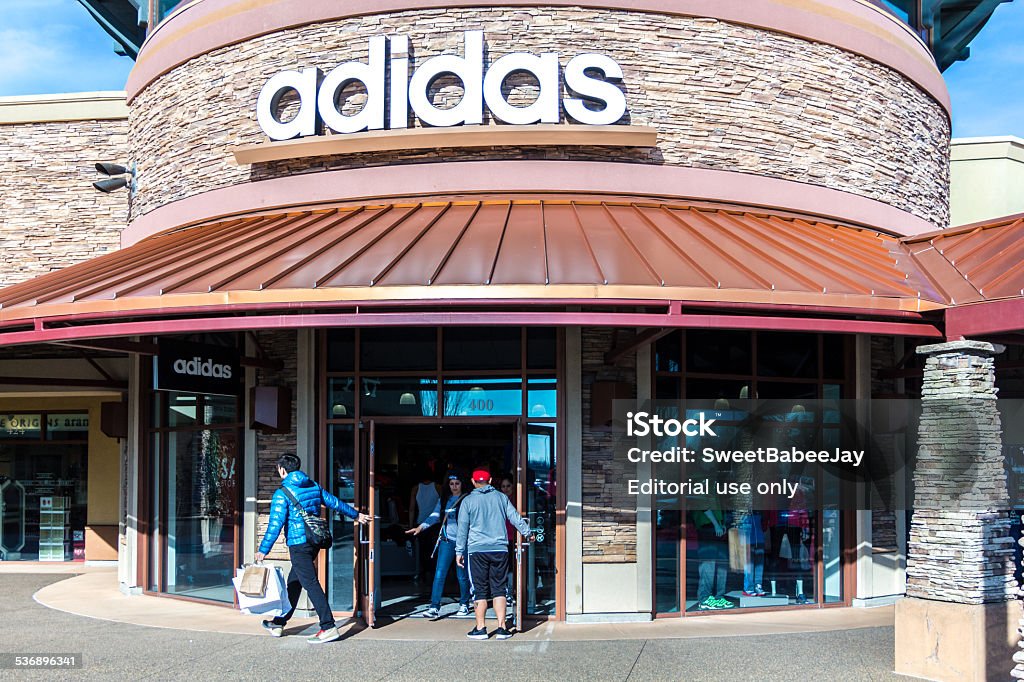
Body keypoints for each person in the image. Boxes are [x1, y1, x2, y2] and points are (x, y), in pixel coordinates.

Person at [255, 454, 370, 644]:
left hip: (298, 543)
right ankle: (279, 622)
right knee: (295, 581)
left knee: (309, 583)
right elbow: (334, 502)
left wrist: (263, 550)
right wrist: (356, 515)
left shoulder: (282, 493)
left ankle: (328, 626)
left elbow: (275, 524)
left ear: (282, 470)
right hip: (314, 540)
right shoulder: (312, 485)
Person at [455, 468, 532, 641]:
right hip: (499, 549)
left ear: (473, 482)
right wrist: (528, 532)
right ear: (490, 481)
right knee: (499, 588)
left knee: (479, 590)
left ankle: (481, 628)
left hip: (477, 551)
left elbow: (462, 529)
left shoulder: (467, 501)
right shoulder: (501, 497)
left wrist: (459, 551)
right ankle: (502, 628)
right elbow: (515, 517)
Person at [407, 471, 471, 618]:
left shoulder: (468, 499)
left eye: (457, 483)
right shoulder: (444, 499)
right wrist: (421, 527)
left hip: (464, 542)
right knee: (439, 573)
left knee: (462, 575)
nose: (454, 487)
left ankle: (464, 603)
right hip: (447, 541)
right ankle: (434, 606)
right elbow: (435, 516)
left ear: (462, 484)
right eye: (451, 484)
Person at [409, 468, 441, 583]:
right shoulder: (437, 487)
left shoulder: (415, 488)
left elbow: (412, 509)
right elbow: (443, 504)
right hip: (435, 523)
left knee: (422, 550)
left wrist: (410, 524)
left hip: (420, 522)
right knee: (434, 549)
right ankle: (434, 573)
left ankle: (425, 572)